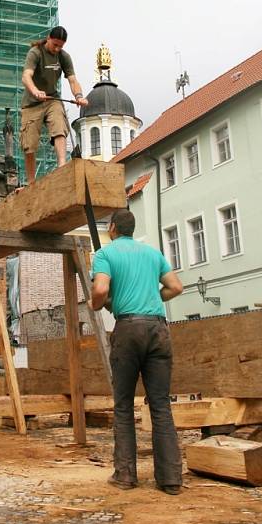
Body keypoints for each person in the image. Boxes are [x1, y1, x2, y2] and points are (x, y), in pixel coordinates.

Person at [90, 209, 184, 494]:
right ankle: (170, 479)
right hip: (158, 329)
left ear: (114, 228)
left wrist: (98, 303)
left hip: (128, 329)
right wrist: (154, 296)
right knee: (160, 405)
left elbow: (100, 289)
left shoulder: (105, 254)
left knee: (123, 405)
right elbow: (176, 287)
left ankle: (126, 475)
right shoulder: (152, 253)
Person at [20, 26, 88, 184]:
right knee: (29, 145)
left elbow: (72, 80)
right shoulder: (35, 53)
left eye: (60, 46)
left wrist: (79, 96)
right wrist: (35, 91)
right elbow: (26, 76)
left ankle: (62, 165)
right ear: (49, 38)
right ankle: (31, 182)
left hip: (52, 99)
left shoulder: (64, 57)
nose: (57, 49)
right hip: (32, 104)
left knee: (59, 127)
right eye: (55, 45)